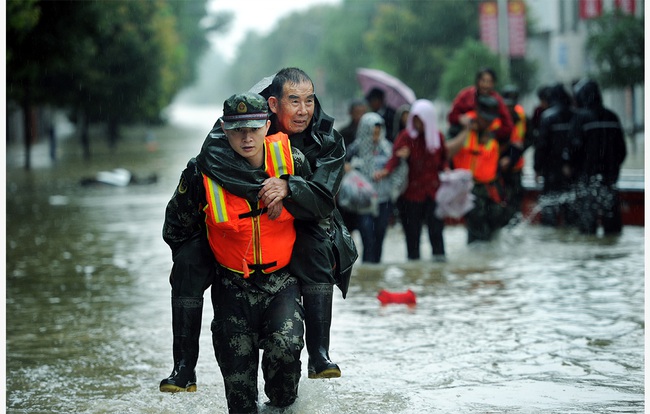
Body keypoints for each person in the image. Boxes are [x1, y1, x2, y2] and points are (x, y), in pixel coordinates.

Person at [196, 68, 354, 380]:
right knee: (191, 253)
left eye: (309, 101)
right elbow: (210, 155)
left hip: (306, 216)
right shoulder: (246, 119)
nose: (303, 110)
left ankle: (319, 354)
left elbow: (324, 198)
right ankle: (184, 368)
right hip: (245, 225)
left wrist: (289, 187)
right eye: (293, 101)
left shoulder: (328, 138)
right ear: (272, 105)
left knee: (317, 239)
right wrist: (266, 187)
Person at [161, 93, 308, 413]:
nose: (246, 137)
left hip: (281, 282)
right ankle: (184, 367)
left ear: (267, 126)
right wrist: (202, 259)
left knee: (285, 363)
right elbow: (175, 227)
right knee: (241, 399)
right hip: (231, 288)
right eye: (237, 129)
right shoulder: (201, 172)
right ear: (223, 130)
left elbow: (319, 213)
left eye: (254, 128)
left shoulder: (293, 161)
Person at [376, 99, 448, 262]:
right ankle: (414, 270)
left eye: (420, 119)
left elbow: (444, 160)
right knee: (412, 234)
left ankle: (439, 269)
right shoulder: (406, 137)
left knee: (436, 232)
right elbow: (394, 158)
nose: (417, 123)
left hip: (434, 193)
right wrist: (388, 169)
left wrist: (448, 171)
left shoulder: (437, 137)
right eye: (414, 119)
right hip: (411, 194)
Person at [446, 95, 510, 243]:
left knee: (497, 218)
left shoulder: (496, 130)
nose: (487, 122)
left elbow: (510, 131)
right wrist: (466, 130)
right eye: (484, 118)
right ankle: (476, 261)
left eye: (490, 119)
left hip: (490, 187)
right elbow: (445, 153)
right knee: (476, 224)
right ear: (477, 112)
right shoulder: (460, 127)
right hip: (468, 187)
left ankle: (488, 260)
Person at [346, 112, 406, 263]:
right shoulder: (355, 148)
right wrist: (351, 169)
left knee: (380, 234)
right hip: (363, 201)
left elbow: (398, 168)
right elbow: (343, 166)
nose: (375, 136)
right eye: (373, 132)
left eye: (378, 132)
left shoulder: (387, 148)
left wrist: (389, 176)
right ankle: (368, 268)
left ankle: (377, 267)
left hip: (384, 198)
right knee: (366, 235)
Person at [570, 78, 627, 235]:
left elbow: (574, 148)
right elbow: (622, 150)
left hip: (587, 178)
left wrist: (575, 169)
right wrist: (612, 167)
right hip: (610, 178)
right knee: (612, 226)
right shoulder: (612, 116)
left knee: (587, 227)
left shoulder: (580, 117)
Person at [533, 83, 577, 227]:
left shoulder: (548, 117)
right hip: (572, 171)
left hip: (551, 171)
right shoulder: (576, 115)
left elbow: (541, 146)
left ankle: (551, 240)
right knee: (570, 211)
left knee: (549, 212)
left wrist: (537, 168)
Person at [447, 67, 513, 144]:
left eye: (489, 82)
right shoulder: (466, 95)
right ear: (477, 81)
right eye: (483, 81)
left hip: (488, 140)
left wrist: (491, 134)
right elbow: (452, 115)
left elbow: (508, 126)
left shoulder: (497, 101)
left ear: (493, 84)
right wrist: (460, 119)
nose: (485, 85)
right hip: (465, 136)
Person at [499, 85, 530, 221]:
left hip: (516, 165)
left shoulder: (523, 118)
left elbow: (529, 139)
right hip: (498, 165)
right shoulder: (495, 118)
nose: (509, 108)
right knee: (500, 198)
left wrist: (513, 157)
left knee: (516, 199)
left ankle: (514, 226)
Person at [338, 99, 367, 232]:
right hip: (348, 185)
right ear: (351, 113)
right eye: (357, 113)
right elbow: (336, 156)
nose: (360, 116)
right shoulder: (344, 133)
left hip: (366, 184)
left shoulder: (371, 134)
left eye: (363, 113)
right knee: (347, 225)